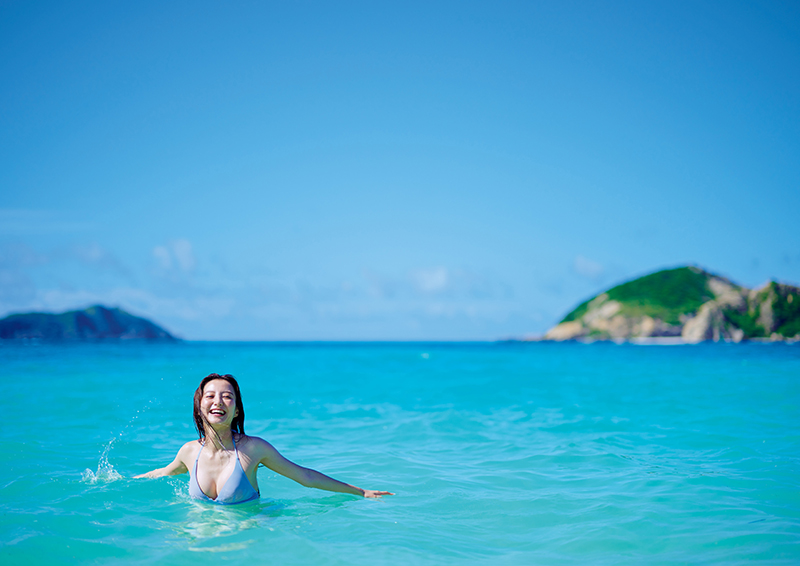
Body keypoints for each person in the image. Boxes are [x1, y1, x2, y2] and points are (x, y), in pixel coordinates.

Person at [135, 373, 393, 504]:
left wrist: (360, 492)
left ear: (236, 409)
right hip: (200, 541)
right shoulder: (189, 452)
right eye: (210, 395)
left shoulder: (254, 448)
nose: (218, 401)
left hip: (247, 540)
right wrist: (117, 481)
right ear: (199, 405)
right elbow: (163, 472)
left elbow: (306, 476)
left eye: (227, 396)